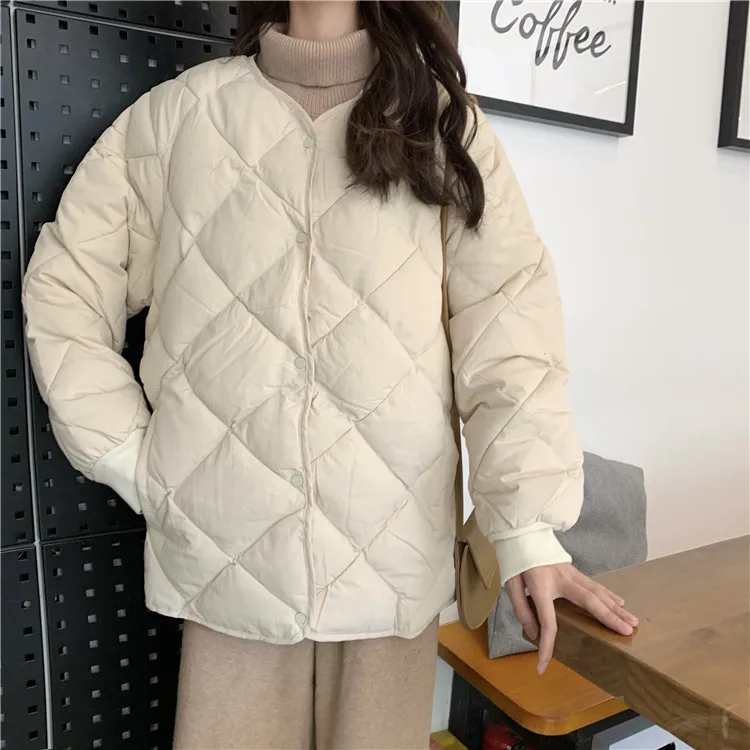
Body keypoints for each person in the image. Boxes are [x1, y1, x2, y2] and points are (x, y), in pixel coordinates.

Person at [22, 1, 638, 747]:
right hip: (230, 559)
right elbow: (66, 287)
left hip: (393, 555)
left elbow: (510, 336)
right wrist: (130, 456)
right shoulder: (176, 121)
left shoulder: (442, 125)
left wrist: (527, 530)